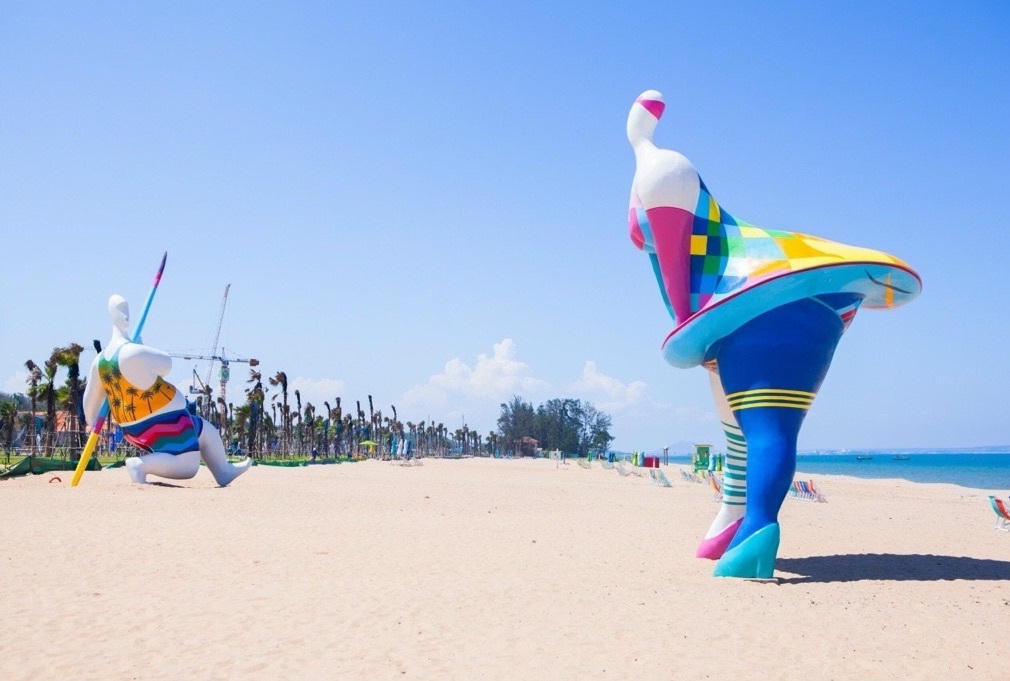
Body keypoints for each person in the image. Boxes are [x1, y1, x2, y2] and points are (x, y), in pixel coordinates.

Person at [82, 294, 252, 486]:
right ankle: (139, 465)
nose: (126, 315)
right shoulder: (133, 352)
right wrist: (141, 348)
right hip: (160, 421)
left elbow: (89, 403)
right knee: (188, 465)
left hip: (138, 426)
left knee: (205, 430)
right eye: (122, 310)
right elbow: (166, 365)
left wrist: (94, 422)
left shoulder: (99, 362)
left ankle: (223, 472)